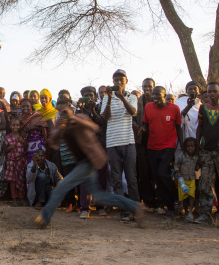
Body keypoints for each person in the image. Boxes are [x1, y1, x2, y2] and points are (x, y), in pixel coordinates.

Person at [34, 103, 143, 228]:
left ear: (71, 111)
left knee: (61, 187)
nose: (62, 114)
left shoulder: (79, 118)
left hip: (89, 161)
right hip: (82, 163)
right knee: (100, 196)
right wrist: (60, 128)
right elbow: (54, 143)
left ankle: (44, 218)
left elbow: (94, 128)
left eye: (65, 111)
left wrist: (74, 119)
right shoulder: (62, 125)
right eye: (60, 112)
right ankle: (134, 206)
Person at [100, 69, 140, 222]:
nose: (118, 82)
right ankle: (123, 211)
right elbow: (104, 117)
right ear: (112, 81)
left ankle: (135, 208)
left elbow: (133, 112)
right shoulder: (106, 98)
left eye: (121, 80)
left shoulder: (132, 97)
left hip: (128, 142)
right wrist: (110, 99)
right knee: (116, 179)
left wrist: (122, 97)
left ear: (126, 81)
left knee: (131, 178)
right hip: (112, 143)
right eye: (116, 80)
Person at [141, 86, 182, 218]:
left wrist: (181, 147)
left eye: (158, 94)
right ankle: (170, 207)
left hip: (168, 146)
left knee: (163, 173)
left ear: (164, 95)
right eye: (153, 94)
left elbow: (178, 128)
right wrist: (142, 129)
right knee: (159, 178)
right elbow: (146, 125)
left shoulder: (174, 108)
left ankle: (176, 197)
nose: (155, 97)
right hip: (152, 147)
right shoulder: (148, 107)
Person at [195, 82, 219, 224]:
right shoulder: (203, 108)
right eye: (209, 92)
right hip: (206, 150)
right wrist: (197, 143)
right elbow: (200, 127)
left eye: (214, 91)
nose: (212, 94)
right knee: (205, 182)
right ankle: (205, 213)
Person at [76, 86, 108, 218]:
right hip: (85, 147)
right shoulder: (78, 109)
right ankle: (84, 208)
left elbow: (102, 124)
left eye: (91, 95)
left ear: (95, 96)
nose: (89, 97)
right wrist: (81, 110)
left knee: (102, 177)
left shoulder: (100, 107)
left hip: (100, 145)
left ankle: (100, 206)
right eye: (86, 95)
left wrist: (93, 111)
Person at [133, 78, 162, 213]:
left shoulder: (159, 102)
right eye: (145, 86)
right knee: (144, 172)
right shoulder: (137, 102)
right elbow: (131, 117)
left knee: (157, 171)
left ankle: (160, 200)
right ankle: (149, 201)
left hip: (157, 140)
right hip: (141, 141)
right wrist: (134, 124)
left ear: (154, 87)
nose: (147, 89)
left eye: (149, 86)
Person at [174, 137, 199, 222]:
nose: (190, 148)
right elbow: (176, 165)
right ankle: (186, 211)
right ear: (185, 147)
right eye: (188, 146)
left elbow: (196, 168)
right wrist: (177, 172)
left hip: (192, 178)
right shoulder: (182, 156)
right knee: (184, 196)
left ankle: (190, 212)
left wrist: (200, 164)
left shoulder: (196, 157)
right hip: (183, 180)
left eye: (192, 146)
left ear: (195, 147)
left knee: (192, 195)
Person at [5, 118, 28, 206]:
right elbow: (5, 150)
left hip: (20, 161)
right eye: (13, 125)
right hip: (11, 162)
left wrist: (23, 143)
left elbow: (26, 148)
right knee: (13, 181)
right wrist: (9, 148)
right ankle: (14, 199)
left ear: (20, 126)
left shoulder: (22, 136)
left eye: (17, 125)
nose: (15, 127)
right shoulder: (8, 137)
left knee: (21, 179)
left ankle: (21, 198)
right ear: (10, 126)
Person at [19, 98, 48, 163]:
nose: (25, 108)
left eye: (27, 106)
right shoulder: (18, 119)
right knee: (28, 166)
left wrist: (33, 127)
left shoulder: (37, 116)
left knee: (39, 163)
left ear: (31, 107)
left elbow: (44, 129)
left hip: (37, 145)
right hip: (25, 147)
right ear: (20, 108)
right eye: (23, 106)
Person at [175, 81, 202, 148]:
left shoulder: (201, 104)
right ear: (186, 91)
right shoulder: (180, 102)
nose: (192, 91)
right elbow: (177, 118)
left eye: (195, 89)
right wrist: (187, 108)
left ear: (199, 91)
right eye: (190, 89)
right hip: (184, 133)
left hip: (197, 134)